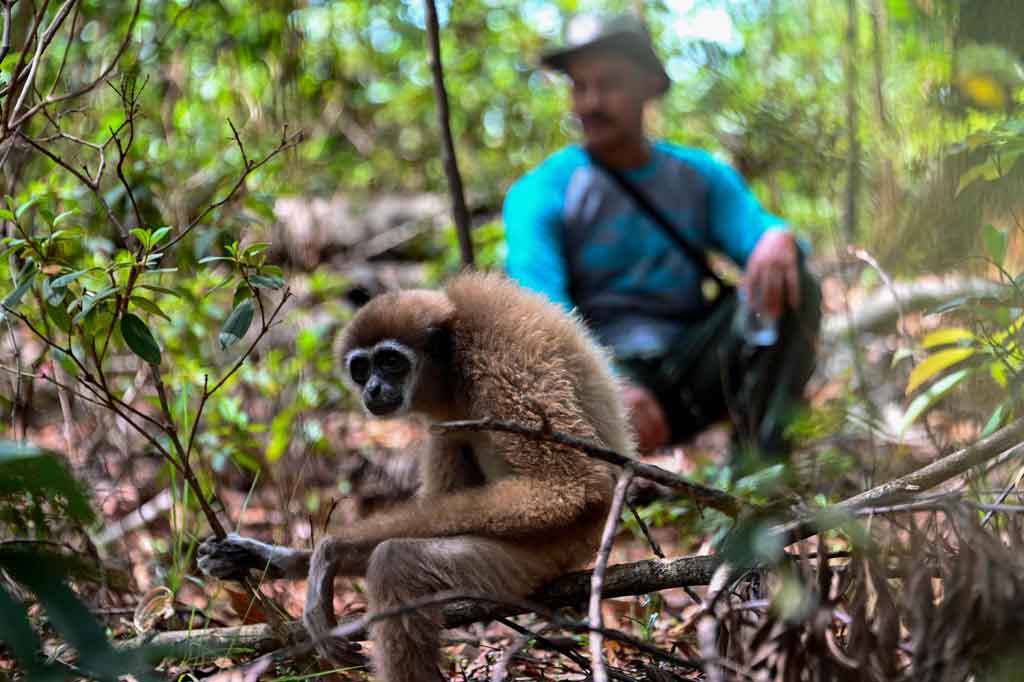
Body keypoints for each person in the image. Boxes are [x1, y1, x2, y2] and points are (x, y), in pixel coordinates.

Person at [502, 13, 821, 464]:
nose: (590, 102)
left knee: (795, 287)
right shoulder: (541, 192)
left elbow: (764, 239)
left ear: (649, 85)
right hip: (597, 384)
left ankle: (758, 488)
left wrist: (776, 238)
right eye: (579, 87)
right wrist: (607, 387)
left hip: (687, 368)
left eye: (608, 84)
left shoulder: (697, 176)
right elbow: (538, 314)